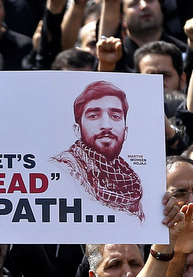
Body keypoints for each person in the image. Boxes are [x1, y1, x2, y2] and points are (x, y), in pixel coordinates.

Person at [52, 80, 144, 220]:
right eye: (94, 116)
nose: (106, 125)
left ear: (125, 131)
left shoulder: (131, 183)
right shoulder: (61, 170)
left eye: (115, 116)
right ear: (77, 130)